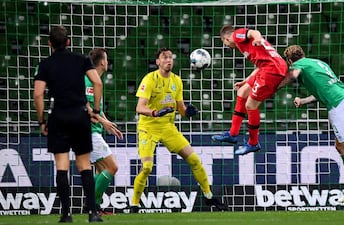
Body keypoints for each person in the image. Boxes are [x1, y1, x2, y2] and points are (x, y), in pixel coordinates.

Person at [130, 47, 228, 212]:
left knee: (195, 160)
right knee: (146, 167)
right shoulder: (149, 79)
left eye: (170, 57)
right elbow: (139, 107)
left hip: (168, 127)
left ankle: (209, 197)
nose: (168, 60)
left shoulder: (176, 81)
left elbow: (180, 108)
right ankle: (134, 204)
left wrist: (188, 112)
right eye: (164, 57)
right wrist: (155, 113)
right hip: (148, 127)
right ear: (158, 62)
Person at [278, 45, 344, 212]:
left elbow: (291, 76)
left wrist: (269, 88)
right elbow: (322, 90)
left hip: (339, 104)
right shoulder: (316, 63)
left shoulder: (299, 66)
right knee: (340, 146)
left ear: (290, 61)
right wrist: (303, 101)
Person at [33, 25, 103, 222]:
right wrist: (95, 111)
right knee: (84, 165)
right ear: (68, 42)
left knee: (62, 166)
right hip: (80, 115)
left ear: (49, 44)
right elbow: (97, 83)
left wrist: (42, 121)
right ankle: (92, 213)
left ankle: (66, 214)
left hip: (59, 116)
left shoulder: (45, 64)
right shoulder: (82, 60)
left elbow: (38, 94)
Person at [212, 25, 288, 155]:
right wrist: (246, 80)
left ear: (225, 38)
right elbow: (261, 65)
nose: (226, 45)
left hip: (272, 70)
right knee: (242, 91)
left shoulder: (236, 35)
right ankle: (233, 134)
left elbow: (253, 32)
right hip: (267, 68)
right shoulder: (244, 45)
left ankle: (253, 143)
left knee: (250, 105)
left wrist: (257, 38)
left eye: (224, 42)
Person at [85, 48, 123, 214]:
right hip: (87, 132)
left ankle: (94, 206)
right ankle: (92, 205)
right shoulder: (88, 81)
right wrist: (102, 122)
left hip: (93, 131)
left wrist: (107, 123)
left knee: (102, 170)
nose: (107, 62)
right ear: (102, 62)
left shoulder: (94, 81)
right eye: (106, 59)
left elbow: (96, 109)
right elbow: (84, 106)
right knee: (112, 167)